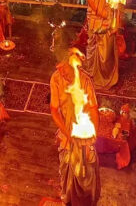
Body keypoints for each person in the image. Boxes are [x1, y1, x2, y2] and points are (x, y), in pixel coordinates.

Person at [50, 48, 100, 205]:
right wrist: (67, 134)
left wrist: (93, 135)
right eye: (58, 68)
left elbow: (93, 109)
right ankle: (69, 198)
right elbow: (54, 110)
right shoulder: (56, 79)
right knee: (67, 166)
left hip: (83, 132)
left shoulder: (84, 81)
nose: (61, 72)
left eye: (63, 67)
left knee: (87, 170)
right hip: (67, 133)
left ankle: (86, 200)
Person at [80, 0, 120, 89]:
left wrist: (111, 15)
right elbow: (90, 0)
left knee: (107, 48)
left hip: (109, 12)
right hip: (95, 15)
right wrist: (102, 14)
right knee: (92, 46)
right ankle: (92, 74)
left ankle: (107, 77)